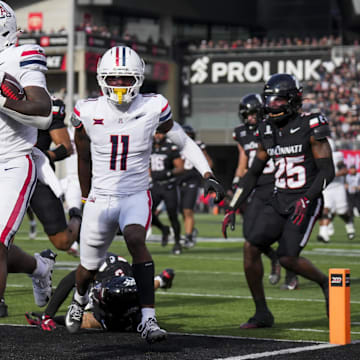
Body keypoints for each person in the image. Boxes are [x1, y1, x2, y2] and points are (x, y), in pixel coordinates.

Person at [65, 45, 224, 343]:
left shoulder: (153, 106)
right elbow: (83, 158)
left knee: (136, 240)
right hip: (100, 196)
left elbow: (183, 141)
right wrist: (85, 199)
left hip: (135, 193)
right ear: (102, 78)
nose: (121, 85)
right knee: (87, 267)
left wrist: (207, 173)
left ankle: (148, 320)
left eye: (126, 79)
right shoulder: (87, 111)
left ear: (138, 79)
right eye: (114, 78)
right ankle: (78, 299)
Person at [222, 73, 334, 328]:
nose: (272, 105)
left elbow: (328, 172)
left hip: (306, 198)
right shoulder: (266, 129)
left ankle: (326, 283)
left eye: (278, 100)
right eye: (269, 99)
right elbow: (253, 172)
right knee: (251, 246)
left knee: (287, 258)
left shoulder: (311, 125)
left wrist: (306, 200)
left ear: (293, 101)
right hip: (279, 197)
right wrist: (233, 206)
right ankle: (262, 312)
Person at [0, 1, 54, 319]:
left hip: (12, 160)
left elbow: (42, 111)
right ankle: (39, 266)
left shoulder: (20, 55)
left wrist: (3, 100)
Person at [232, 93, 298, 290]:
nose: (251, 118)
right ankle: (274, 257)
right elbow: (243, 162)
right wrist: (236, 184)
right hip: (256, 186)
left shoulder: (272, 126)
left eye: (254, 113)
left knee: (285, 234)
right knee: (250, 233)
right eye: (248, 114)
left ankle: (291, 275)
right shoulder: (241, 133)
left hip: (277, 185)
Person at [25, 253, 175, 332]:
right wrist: (48, 316)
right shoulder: (96, 269)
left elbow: (90, 320)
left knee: (119, 323)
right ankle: (161, 279)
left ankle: (161, 279)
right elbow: (69, 281)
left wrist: (51, 317)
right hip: (114, 278)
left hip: (123, 287)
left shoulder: (129, 299)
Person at [28, 97, 82, 252]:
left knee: (62, 241)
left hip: (37, 174)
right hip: (5, 170)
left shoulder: (48, 105)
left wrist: (43, 156)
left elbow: (65, 147)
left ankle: (77, 216)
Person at [179, 124, 213, 249]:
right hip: (179, 180)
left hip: (192, 180)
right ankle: (190, 231)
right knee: (182, 210)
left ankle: (188, 236)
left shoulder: (197, 145)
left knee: (188, 210)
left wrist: (205, 173)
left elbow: (209, 162)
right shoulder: (176, 145)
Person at [150, 131, 184, 254]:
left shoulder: (171, 147)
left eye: (160, 133)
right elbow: (147, 166)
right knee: (147, 213)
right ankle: (163, 229)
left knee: (172, 215)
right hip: (155, 186)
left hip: (169, 186)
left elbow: (181, 167)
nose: (158, 136)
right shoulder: (149, 147)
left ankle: (177, 243)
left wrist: (168, 173)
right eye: (156, 133)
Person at [317, 138, 355, 243]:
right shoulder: (317, 156)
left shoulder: (336, 156)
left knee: (342, 211)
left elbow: (343, 170)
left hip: (338, 187)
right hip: (326, 187)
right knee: (325, 209)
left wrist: (331, 175)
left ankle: (349, 224)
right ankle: (323, 234)